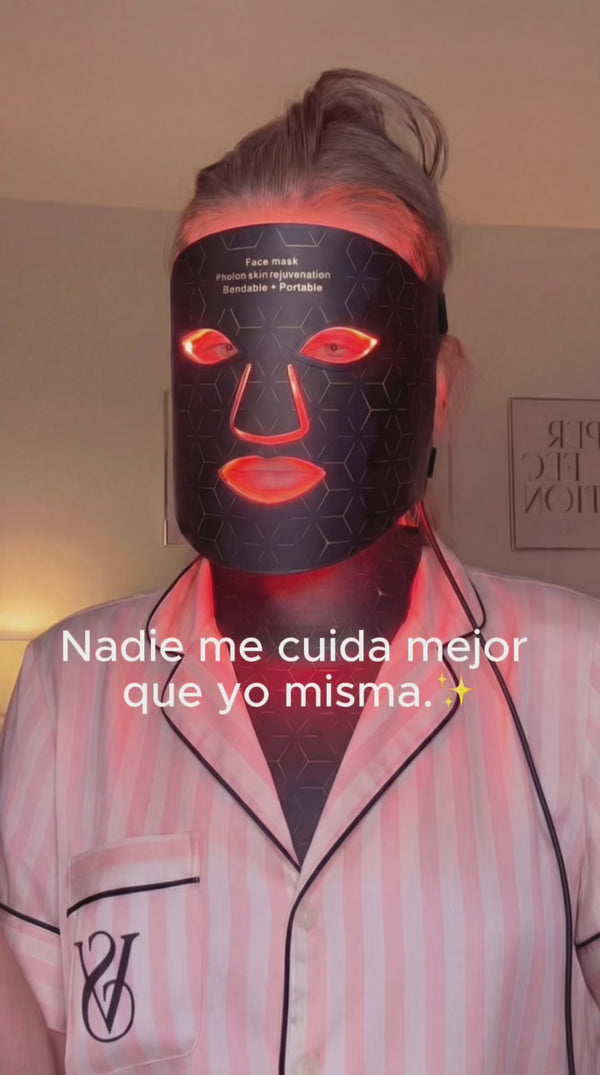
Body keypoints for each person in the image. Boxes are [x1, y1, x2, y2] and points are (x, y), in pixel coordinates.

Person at [1, 69, 599, 1075]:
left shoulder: (575, 678)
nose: (263, 413)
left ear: (438, 388)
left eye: (333, 342)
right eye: (212, 346)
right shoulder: (73, 686)